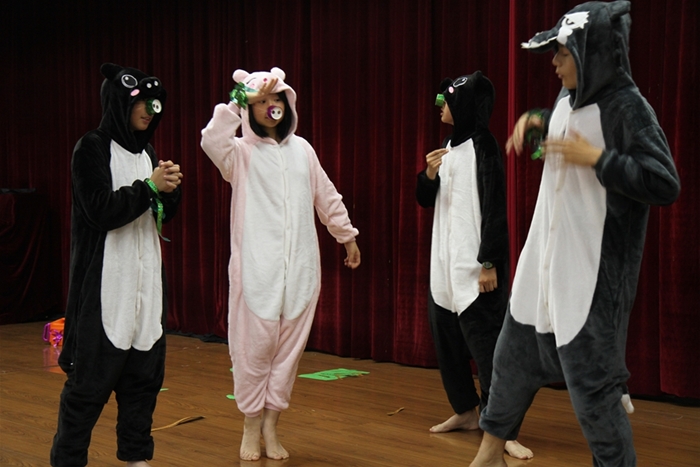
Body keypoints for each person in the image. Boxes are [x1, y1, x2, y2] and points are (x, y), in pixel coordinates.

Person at [470, 2, 681, 466]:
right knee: (509, 365)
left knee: (594, 395)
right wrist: (538, 121)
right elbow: (568, 137)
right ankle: (487, 457)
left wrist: (599, 160)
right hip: (541, 267)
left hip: (589, 283)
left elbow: (664, 182)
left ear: (592, 56)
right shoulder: (568, 97)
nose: (554, 63)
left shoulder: (627, 107)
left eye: (563, 54)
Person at [200, 67, 361, 461]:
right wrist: (238, 100)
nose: (271, 106)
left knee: (287, 357)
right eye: (261, 101)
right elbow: (211, 139)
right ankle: (250, 425)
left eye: (276, 99)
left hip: (301, 273)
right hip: (257, 272)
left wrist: (346, 235)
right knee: (253, 353)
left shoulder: (303, 150)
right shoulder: (239, 154)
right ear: (248, 109)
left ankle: (271, 427)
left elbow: (325, 194)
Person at [51, 63, 183, 467]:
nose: (149, 111)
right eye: (141, 103)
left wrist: (168, 192)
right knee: (86, 391)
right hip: (105, 291)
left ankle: (137, 460)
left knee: (143, 387)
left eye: (154, 104)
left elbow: (157, 215)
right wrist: (149, 187)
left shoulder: (148, 153)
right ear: (119, 103)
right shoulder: (91, 147)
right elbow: (100, 210)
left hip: (146, 293)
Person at [416, 71, 532, 460]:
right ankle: (467, 411)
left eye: (447, 101)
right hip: (444, 268)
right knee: (448, 347)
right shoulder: (446, 146)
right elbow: (425, 198)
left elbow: (495, 206)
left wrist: (489, 261)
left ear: (464, 106)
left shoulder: (484, 146)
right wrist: (429, 175)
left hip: (476, 267)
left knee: (489, 353)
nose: (441, 108)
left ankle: (503, 429)